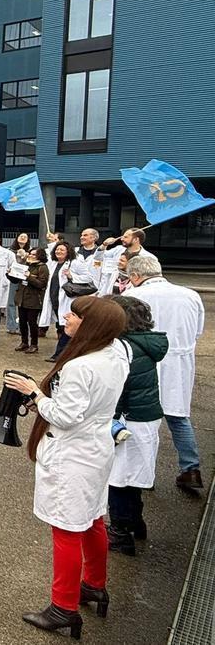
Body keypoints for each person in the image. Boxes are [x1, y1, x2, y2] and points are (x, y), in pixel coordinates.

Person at [3, 296, 130, 639]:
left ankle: (63, 607)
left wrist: (34, 394)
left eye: (74, 315)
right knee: (91, 520)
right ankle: (94, 585)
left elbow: (66, 416)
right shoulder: (119, 351)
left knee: (66, 528)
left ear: (91, 325)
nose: (66, 318)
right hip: (98, 446)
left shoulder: (80, 366)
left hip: (73, 453)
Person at [122, 256, 204, 491]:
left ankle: (144, 475)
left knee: (144, 421)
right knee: (178, 417)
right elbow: (197, 331)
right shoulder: (190, 295)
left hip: (144, 362)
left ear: (135, 276)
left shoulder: (135, 296)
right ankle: (191, 468)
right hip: (180, 363)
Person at [106, 295, 168, 556]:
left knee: (119, 477)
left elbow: (120, 388)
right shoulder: (146, 344)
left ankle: (119, 532)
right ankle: (135, 522)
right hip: (147, 416)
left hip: (129, 419)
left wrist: (111, 420)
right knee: (132, 475)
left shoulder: (124, 348)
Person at [39, 242, 89, 363]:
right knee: (60, 326)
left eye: (62, 250)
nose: (59, 252)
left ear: (68, 251)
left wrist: (72, 276)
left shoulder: (75, 263)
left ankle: (59, 354)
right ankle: (63, 353)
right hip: (54, 299)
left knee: (65, 327)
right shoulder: (53, 263)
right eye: (57, 250)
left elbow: (88, 277)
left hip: (67, 300)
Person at [98, 228, 156, 296]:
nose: (122, 239)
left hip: (134, 293)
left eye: (126, 237)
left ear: (136, 239)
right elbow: (98, 258)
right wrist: (104, 245)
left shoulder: (149, 257)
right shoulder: (118, 249)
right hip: (111, 290)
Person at [14, 248, 49, 354]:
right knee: (22, 322)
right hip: (22, 298)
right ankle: (24, 342)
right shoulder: (26, 265)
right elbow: (17, 279)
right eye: (30, 253)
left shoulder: (42, 267)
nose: (31, 255)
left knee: (32, 323)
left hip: (34, 299)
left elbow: (41, 284)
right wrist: (10, 274)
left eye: (34, 254)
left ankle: (34, 344)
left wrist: (29, 277)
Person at [6, 233, 32, 334]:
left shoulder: (31, 251)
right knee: (11, 303)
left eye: (25, 237)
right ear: (16, 238)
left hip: (25, 280)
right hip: (14, 279)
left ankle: (23, 327)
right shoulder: (9, 251)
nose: (23, 238)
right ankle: (11, 326)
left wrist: (26, 257)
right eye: (21, 236)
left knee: (24, 304)